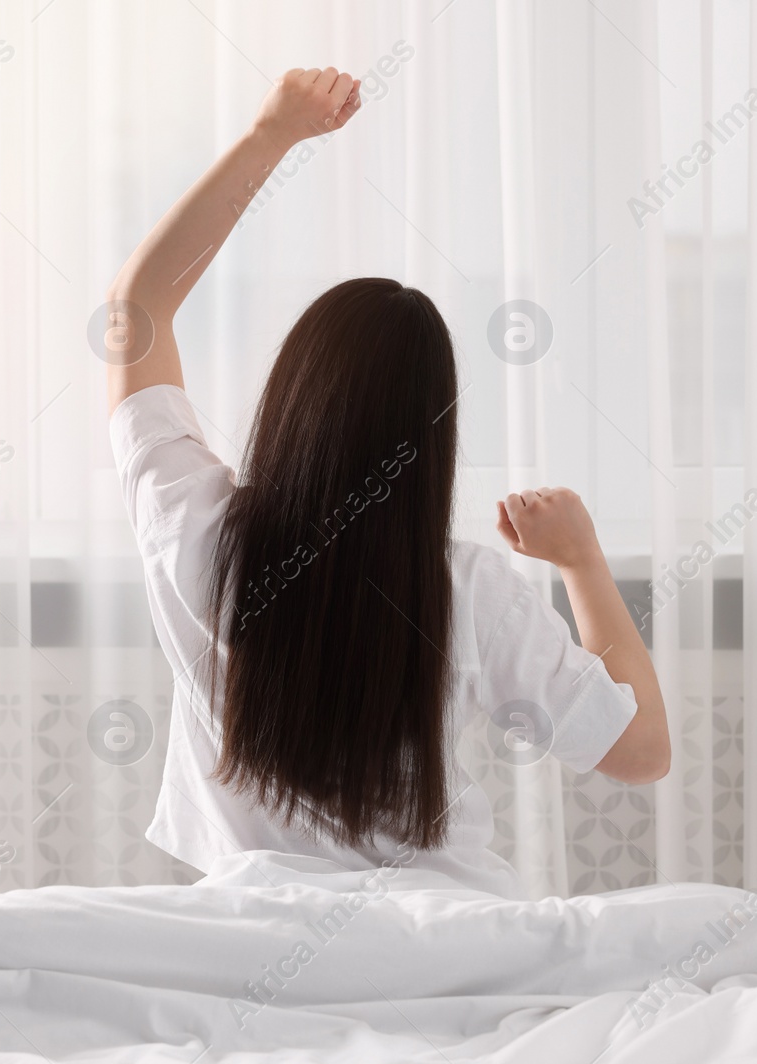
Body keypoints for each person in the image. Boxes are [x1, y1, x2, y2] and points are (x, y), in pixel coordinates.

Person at [104, 67, 668, 897]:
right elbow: (643, 751)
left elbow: (138, 306)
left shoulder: (194, 530)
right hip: (449, 937)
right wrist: (580, 558)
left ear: (290, 402)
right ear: (431, 445)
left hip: (252, 934)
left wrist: (272, 136)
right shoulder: (469, 589)